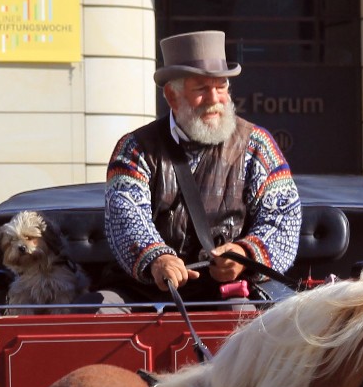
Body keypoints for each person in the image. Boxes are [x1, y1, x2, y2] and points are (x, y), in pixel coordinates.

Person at [102, 30, 301, 301]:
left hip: (226, 290)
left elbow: (283, 218)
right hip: (145, 291)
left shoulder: (257, 144)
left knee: (241, 319)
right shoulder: (134, 148)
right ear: (172, 96)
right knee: (98, 317)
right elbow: (126, 216)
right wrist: (157, 258)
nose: (214, 99)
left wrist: (245, 254)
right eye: (201, 89)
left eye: (221, 87)